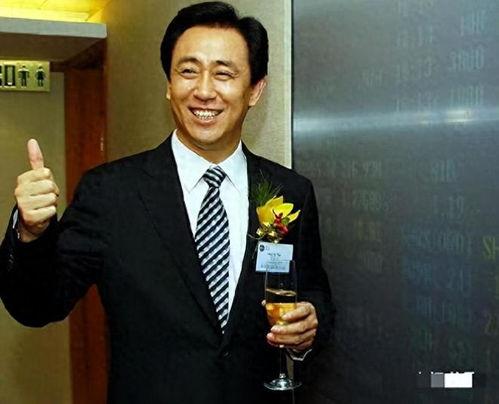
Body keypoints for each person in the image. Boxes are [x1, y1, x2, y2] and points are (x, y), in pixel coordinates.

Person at [0, 2, 332, 403]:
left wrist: (309, 324)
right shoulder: (110, 192)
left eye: (224, 74)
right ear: (169, 85)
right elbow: (37, 306)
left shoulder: (289, 191)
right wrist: (31, 233)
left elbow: (312, 288)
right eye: (188, 71)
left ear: (255, 90)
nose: (204, 90)